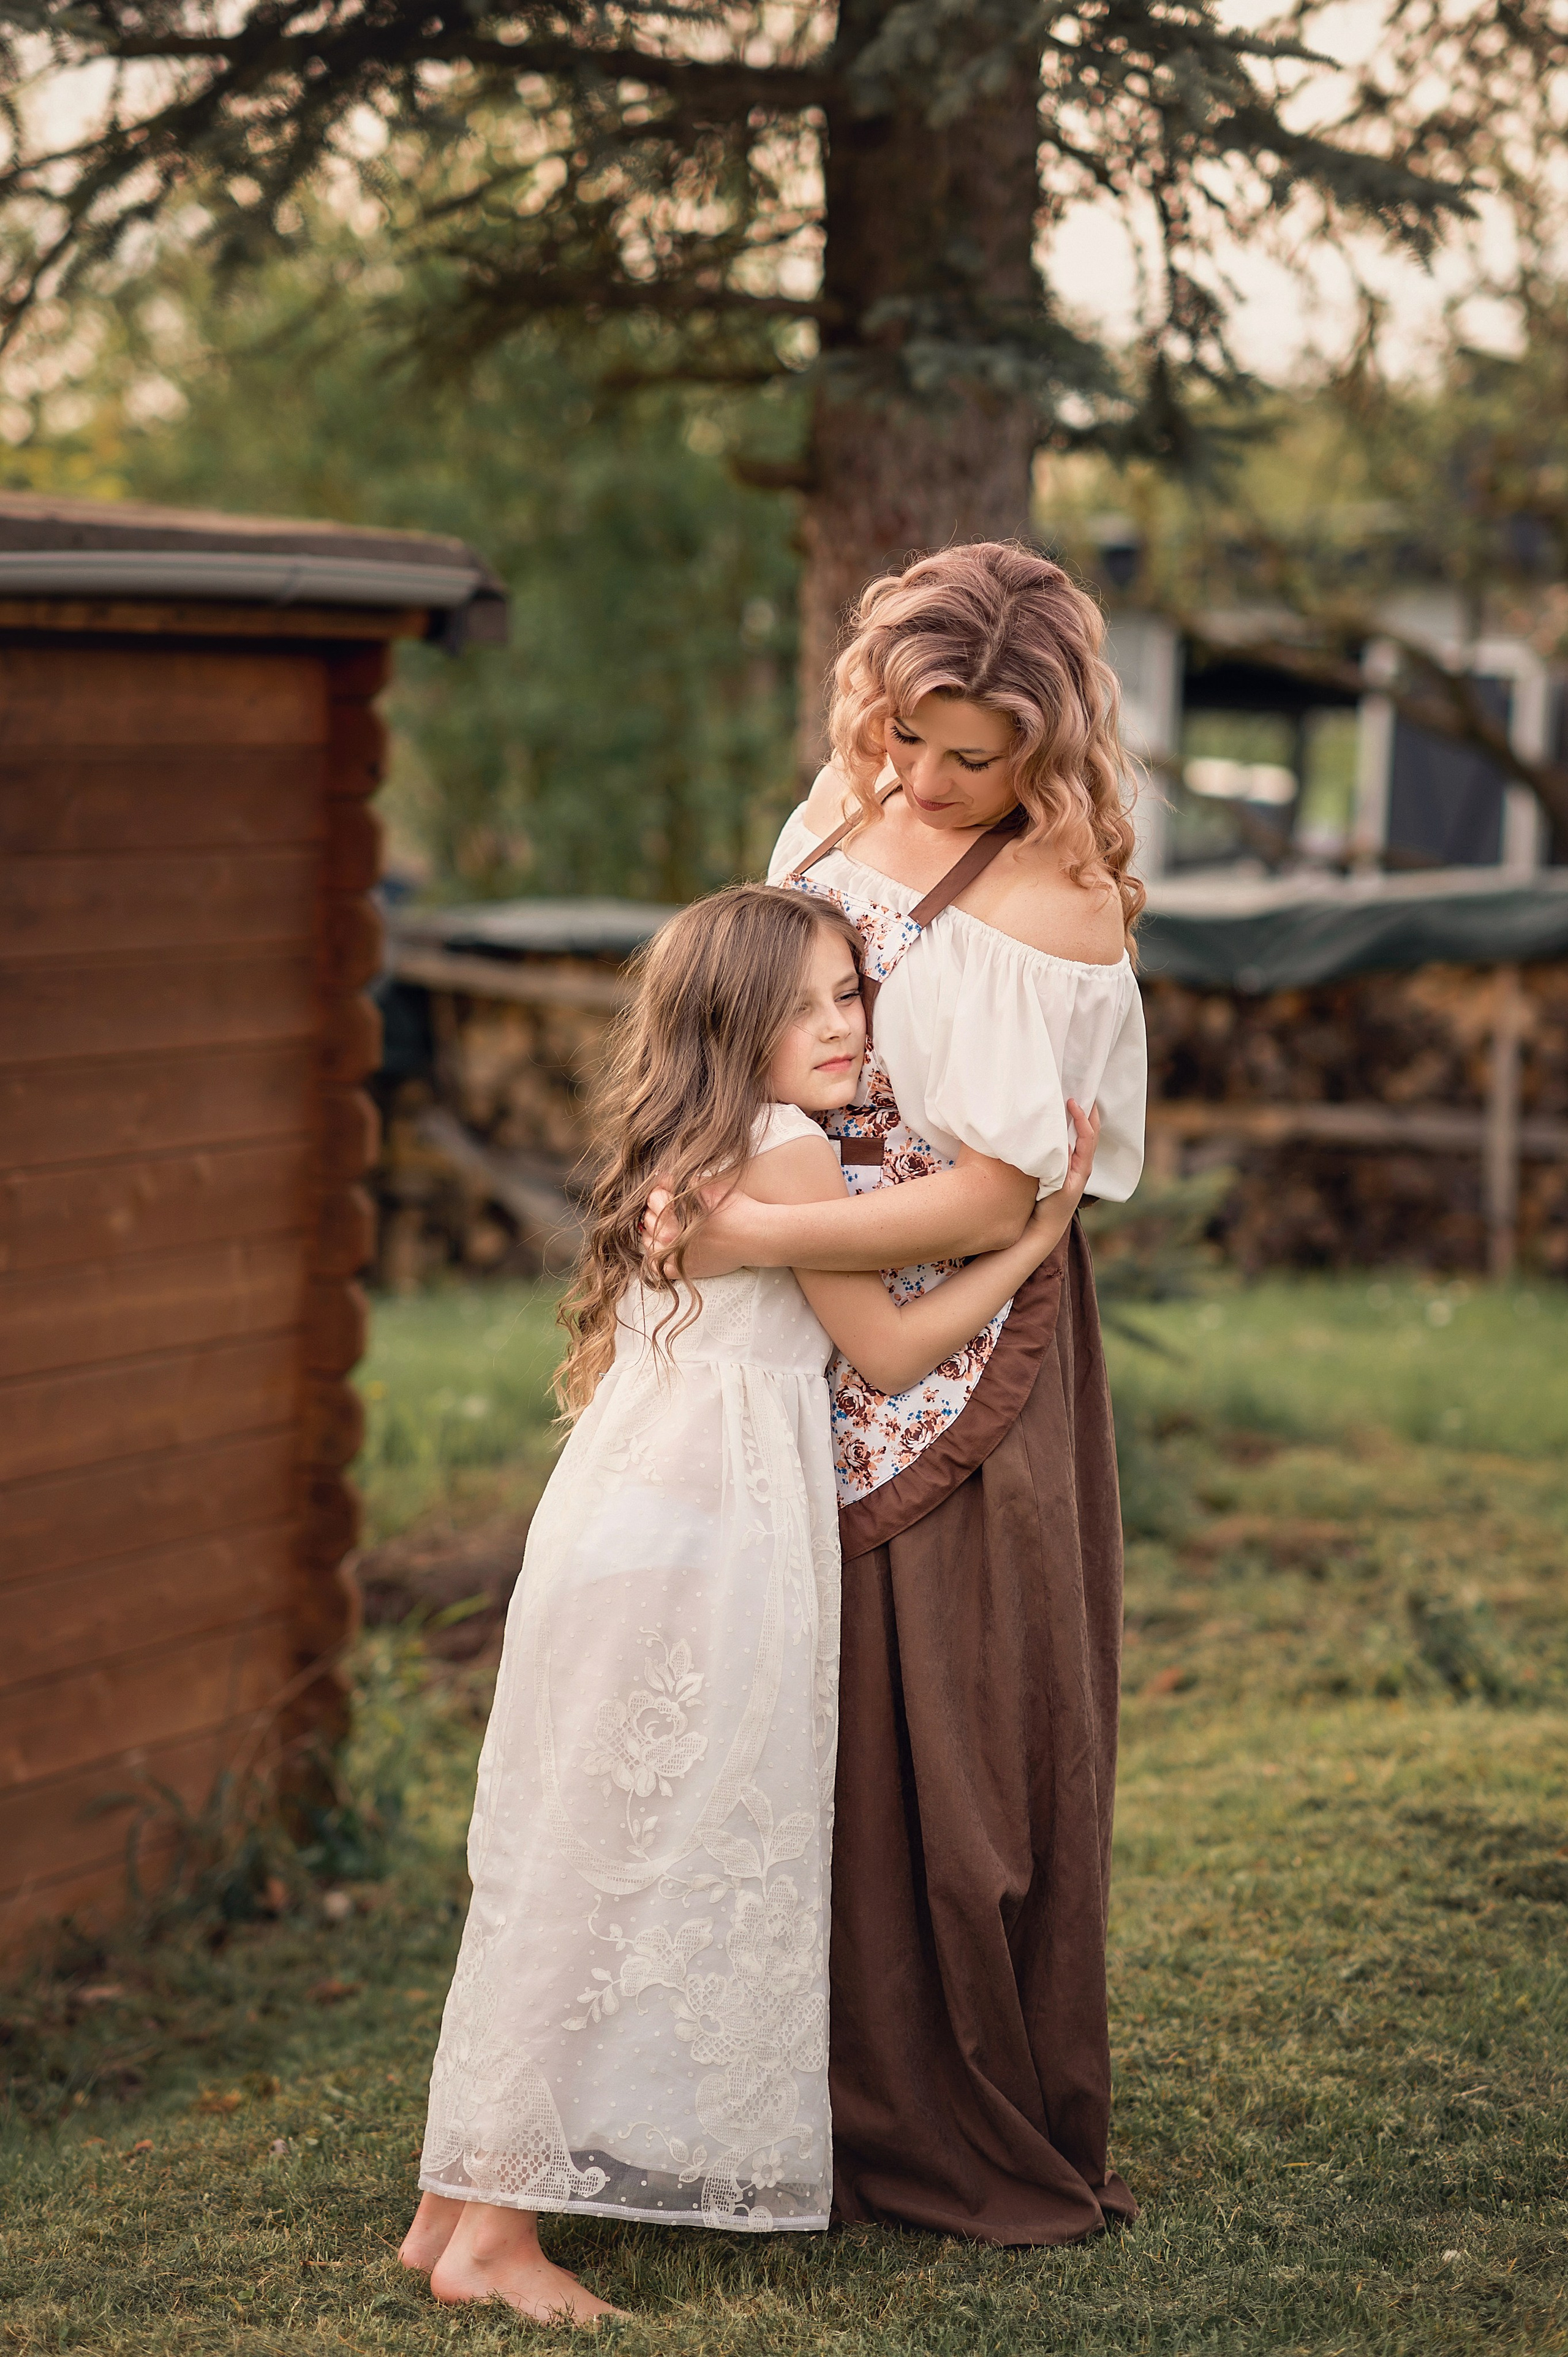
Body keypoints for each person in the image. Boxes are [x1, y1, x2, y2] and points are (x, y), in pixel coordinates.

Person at [398, 882, 1101, 2322]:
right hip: (701, 1544)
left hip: (619, 1518)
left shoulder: (700, 1147)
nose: (844, 1022)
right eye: (808, 1005)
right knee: (616, 1867)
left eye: (853, 990)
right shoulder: (786, 1163)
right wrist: (1033, 1246)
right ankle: (497, 2237)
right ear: (734, 1024)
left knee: (559, 1853)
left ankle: (451, 2207)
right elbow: (894, 1350)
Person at [665, 542, 1148, 2246]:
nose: (926, 782)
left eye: (975, 758)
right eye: (908, 739)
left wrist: (746, 1233)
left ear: (1050, 750)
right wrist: (757, 1221)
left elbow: (995, 1199)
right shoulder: (841, 802)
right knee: (800, 1709)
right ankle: (795, 2090)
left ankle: (948, 2108)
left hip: (963, 1346)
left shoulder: (1055, 903)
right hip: (808, 1297)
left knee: (954, 1731)